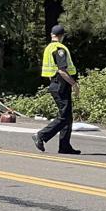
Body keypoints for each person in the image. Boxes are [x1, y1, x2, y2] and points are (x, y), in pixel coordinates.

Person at [34, 24, 81, 154]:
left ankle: (64, 146)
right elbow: (62, 70)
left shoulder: (49, 48)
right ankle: (41, 135)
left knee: (67, 116)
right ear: (62, 36)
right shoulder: (60, 49)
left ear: (52, 35)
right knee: (64, 117)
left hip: (54, 83)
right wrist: (74, 84)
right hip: (61, 84)